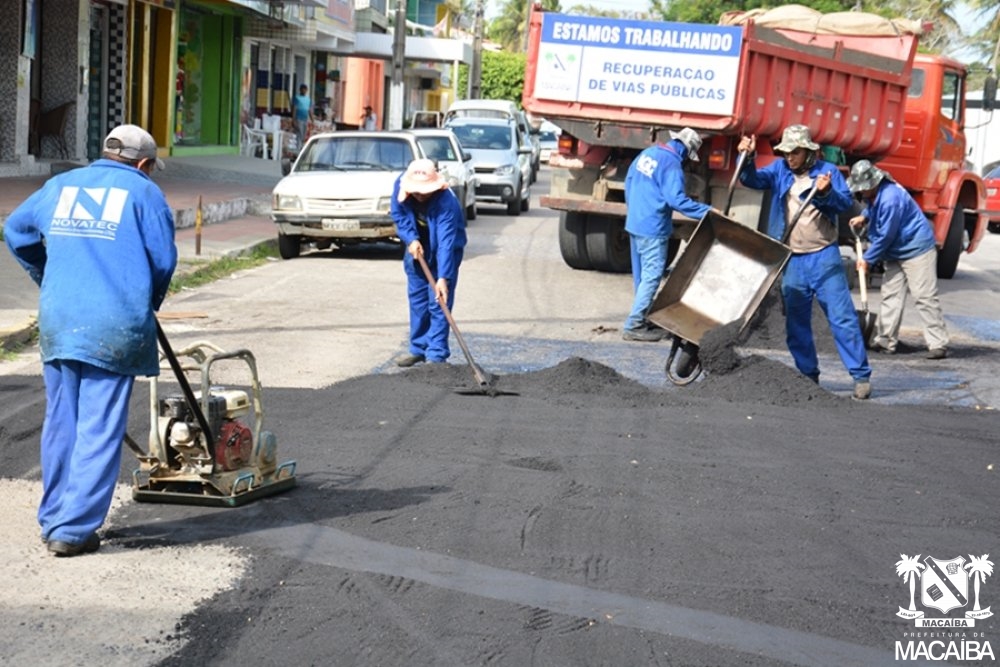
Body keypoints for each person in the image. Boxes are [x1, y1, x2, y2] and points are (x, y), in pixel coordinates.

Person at [4, 124, 177, 556]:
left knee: (63, 420)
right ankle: (74, 529)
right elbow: (162, 260)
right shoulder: (144, 193)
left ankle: (54, 517)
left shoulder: (60, 185)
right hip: (113, 323)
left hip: (61, 318)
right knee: (99, 426)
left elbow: (16, 231)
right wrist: (146, 299)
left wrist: (47, 275)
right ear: (143, 164)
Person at [738, 125, 872, 399]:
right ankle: (808, 376)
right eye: (786, 152)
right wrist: (747, 159)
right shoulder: (779, 171)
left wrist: (824, 193)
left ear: (809, 152)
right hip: (793, 260)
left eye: (795, 152)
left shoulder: (828, 172)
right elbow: (751, 180)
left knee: (842, 318)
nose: (790, 158)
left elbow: (842, 203)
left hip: (824, 257)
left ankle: (860, 376)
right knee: (796, 324)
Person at [847, 160, 949, 359]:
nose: (861, 191)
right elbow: (874, 209)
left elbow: (886, 235)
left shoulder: (891, 198)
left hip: (916, 249)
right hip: (895, 251)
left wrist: (867, 259)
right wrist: (865, 216)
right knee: (891, 295)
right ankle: (885, 341)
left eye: (863, 188)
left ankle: (938, 343)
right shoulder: (875, 193)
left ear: (873, 183)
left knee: (923, 296)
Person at [622, 127, 714, 342]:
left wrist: (635, 210)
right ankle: (634, 324)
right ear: (685, 149)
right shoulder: (672, 165)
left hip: (635, 222)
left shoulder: (648, 154)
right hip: (653, 227)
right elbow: (677, 201)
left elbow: (629, 182)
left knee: (642, 277)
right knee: (652, 276)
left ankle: (642, 316)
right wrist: (708, 212)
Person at [391, 159, 467, 367]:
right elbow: (399, 215)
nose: (419, 195)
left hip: (445, 251)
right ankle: (418, 348)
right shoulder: (401, 185)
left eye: (424, 192)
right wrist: (411, 238)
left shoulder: (446, 203)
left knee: (438, 301)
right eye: (415, 191)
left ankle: (436, 355)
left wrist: (443, 277)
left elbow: (446, 244)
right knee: (418, 301)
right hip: (417, 249)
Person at [292, 84, 314, 151]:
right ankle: (298, 149)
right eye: (302, 89)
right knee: (299, 134)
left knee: (304, 136)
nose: (304, 91)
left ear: (307, 90)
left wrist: (312, 120)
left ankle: (301, 149)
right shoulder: (296, 98)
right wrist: (293, 120)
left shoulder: (308, 100)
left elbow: (309, 110)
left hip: (305, 119)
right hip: (298, 119)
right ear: (300, 90)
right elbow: (294, 109)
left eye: (305, 89)